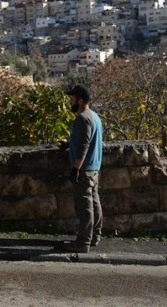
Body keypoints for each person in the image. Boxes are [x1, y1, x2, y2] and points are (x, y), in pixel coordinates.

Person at [63, 85, 103, 253]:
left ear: (80, 101)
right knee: (94, 202)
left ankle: (83, 243)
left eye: (72, 99)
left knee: (85, 205)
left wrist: (75, 169)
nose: (70, 102)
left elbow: (83, 146)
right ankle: (95, 237)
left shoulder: (83, 118)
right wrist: (68, 144)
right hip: (94, 167)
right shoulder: (95, 116)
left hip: (84, 169)